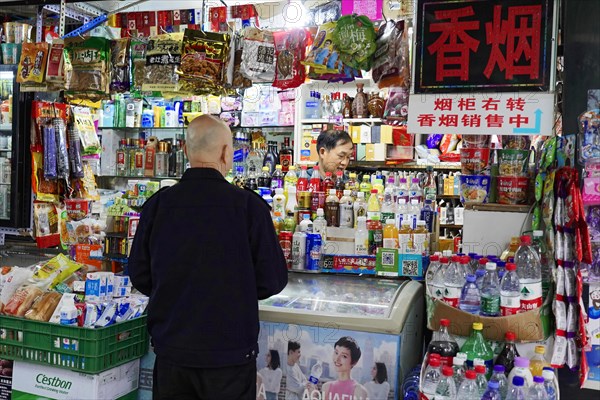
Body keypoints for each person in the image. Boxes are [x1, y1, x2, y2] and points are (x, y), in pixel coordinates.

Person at [128, 115, 288, 400]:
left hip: (172, 352)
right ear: (227, 153)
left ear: (186, 151)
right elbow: (272, 281)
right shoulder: (249, 207)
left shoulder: (158, 205)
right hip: (230, 356)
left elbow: (140, 275)